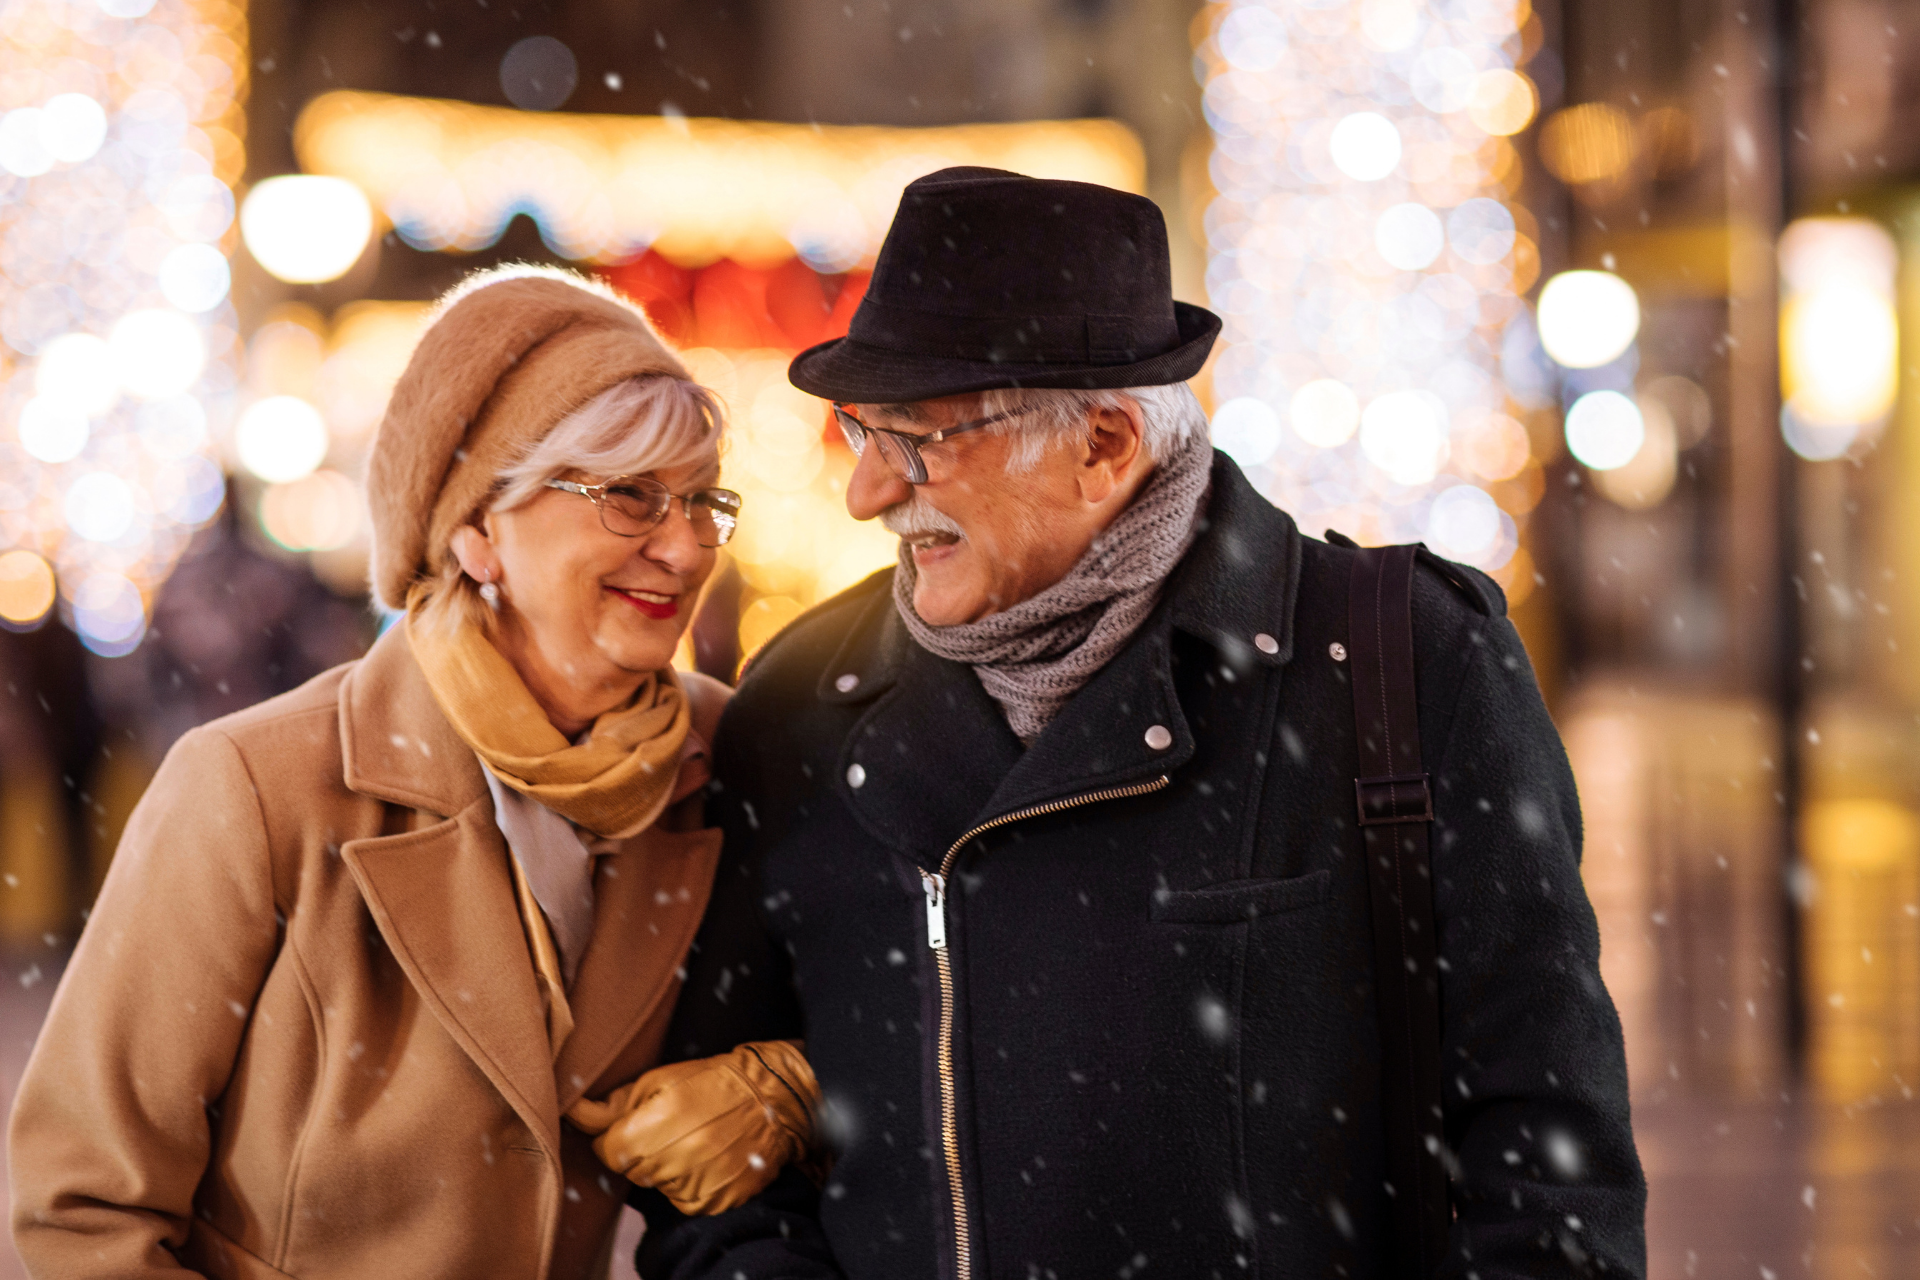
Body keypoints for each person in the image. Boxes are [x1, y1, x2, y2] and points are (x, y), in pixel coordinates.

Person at [634, 169, 1647, 1279]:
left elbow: (1546, 1162)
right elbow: (719, 1178)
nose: (867, 491)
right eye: (860, 429)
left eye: (918, 439)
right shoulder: (799, 711)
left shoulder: (1403, 669)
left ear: (1107, 443)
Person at [8, 268, 814, 1279]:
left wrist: (793, 1082)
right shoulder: (255, 785)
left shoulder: (722, 758)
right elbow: (81, 1206)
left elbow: (907, 1008)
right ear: (477, 528)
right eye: (629, 497)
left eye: (703, 502)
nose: (685, 546)